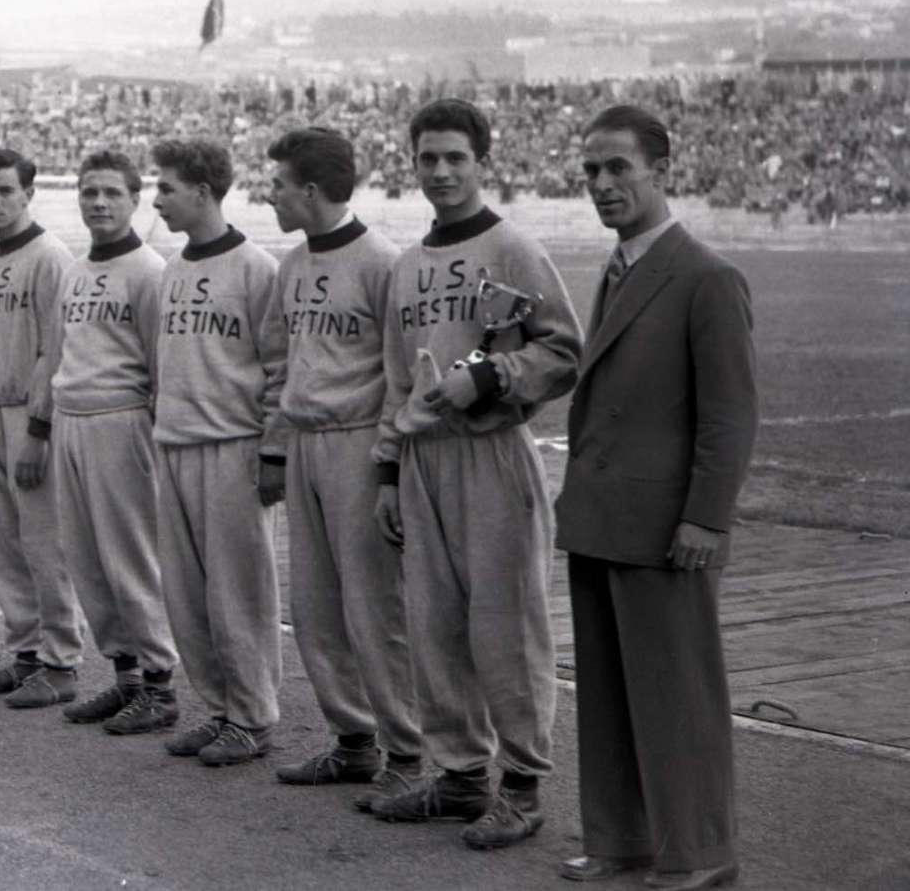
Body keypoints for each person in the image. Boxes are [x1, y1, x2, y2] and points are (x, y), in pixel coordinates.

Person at [367, 98, 581, 851]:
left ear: (482, 163)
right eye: (428, 158)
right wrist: (387, 471)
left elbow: (565, 352)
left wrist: (490, 376)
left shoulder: (513, 248)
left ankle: (521, 788)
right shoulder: (406, 266)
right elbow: (397, 380)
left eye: (455, 157)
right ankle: (460, 777)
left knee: (506, 626)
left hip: (491, 454)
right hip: (423, 460)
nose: (441, 171)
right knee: (434, 626)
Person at [556, 106, 754, 890]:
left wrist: (706, 516)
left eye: (618, 168)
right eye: (591, 172)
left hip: (665, 527)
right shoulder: (620, 267)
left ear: (661, 172)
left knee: (679, 700)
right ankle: (622, 840)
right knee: (607, 697)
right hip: (603, 518)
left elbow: (730, 415)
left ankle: (701, 852)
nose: (602, 184)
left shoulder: (706, 277)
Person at [260, 126, 422, 802]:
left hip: (359, 442)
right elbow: (280, 364)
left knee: (375, 606)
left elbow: (403, 374)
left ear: (311, 190)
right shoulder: (292, 266)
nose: (269, 196)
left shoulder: (383, 262)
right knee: (316, 607)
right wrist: (274, 448)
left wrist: (389, 466)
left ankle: (408, 751)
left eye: (277, 185)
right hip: (305, 443)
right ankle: (353, 740)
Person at [146, 138, 284, 766]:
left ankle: (253, 716)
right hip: (175, 443)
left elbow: (279, 369)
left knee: (237, 593)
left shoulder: (257, 268)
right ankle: (221, 708)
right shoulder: (172, 269)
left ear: (202, 192)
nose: (157, 200)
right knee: (187, 593)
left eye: (167, 188)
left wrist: (273, 452)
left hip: (232, 447)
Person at [50, 150, 179, 735]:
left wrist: (149, 439)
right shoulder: (75, 271)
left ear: (134, 200)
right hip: (71, 419)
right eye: (89, 193)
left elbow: (160, 364)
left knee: (130, 557)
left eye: (111, 193)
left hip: (122, 422)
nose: (99, 203)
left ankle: (160, 684)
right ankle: (125, 677)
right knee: (88, 560)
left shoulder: (149, 271)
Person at [0, 148, 81, 706]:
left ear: (29, 193)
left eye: (5, 190)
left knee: (43, 545)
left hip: (26, 416)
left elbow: (56, 350)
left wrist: (39, 428)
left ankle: (61, 662)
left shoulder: (50, 257)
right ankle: (25, 654)